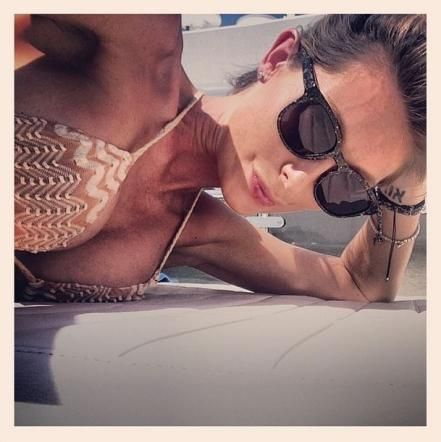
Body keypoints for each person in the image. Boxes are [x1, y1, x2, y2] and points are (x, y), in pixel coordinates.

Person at [14, 14, 426, 303]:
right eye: (316, 128)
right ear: (277, 59)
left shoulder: (199, 231)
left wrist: (411, 179)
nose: (296, 180)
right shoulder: (140, 38)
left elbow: (361, 283)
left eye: (347, 185)